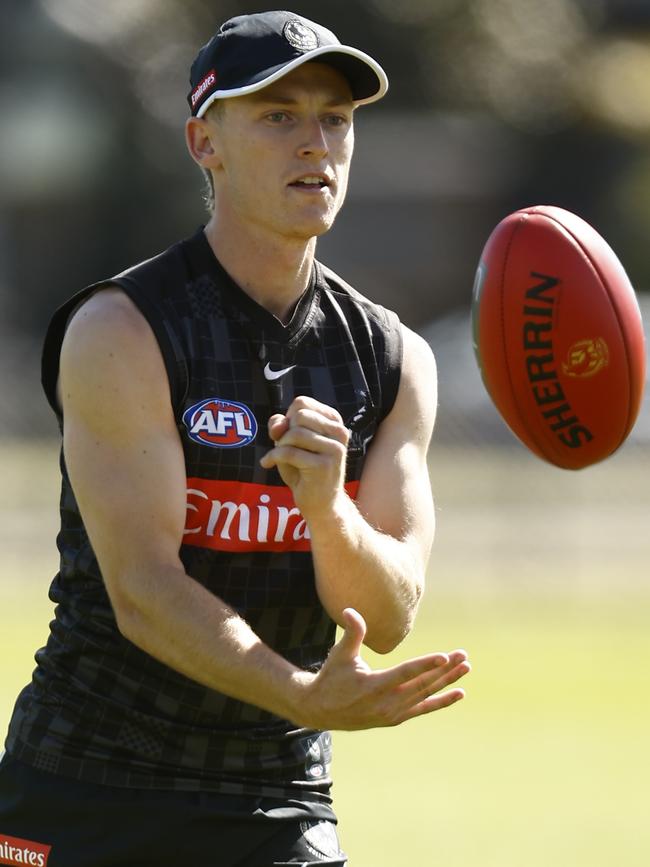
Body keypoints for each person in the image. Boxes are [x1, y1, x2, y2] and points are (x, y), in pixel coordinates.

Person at [0, 10, 470, 867]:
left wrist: (328, 511)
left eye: (335, 118)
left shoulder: (395, 357)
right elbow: (144, 589)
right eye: (278, 115)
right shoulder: (124, 328)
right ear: (203, 142)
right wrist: (303, 692)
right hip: (89, 783)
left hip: (277, 793)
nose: (315, 144)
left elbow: (391, 614)